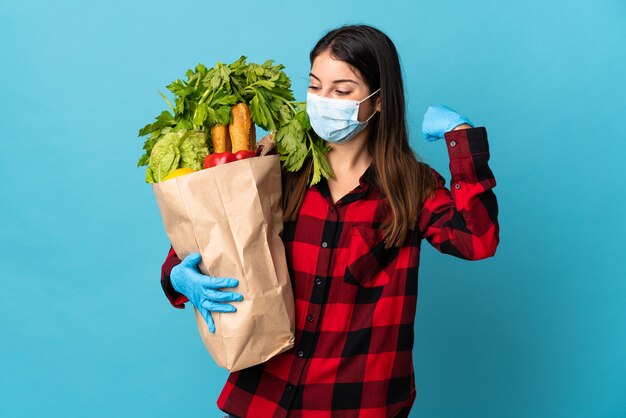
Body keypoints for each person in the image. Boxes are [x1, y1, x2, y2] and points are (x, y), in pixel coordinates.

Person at [160, 24, 499, 418]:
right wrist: (178, 275)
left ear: (379, 101)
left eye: (341, 91)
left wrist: (462, 139)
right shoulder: (275, 169)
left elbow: (477, 241)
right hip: (263, 397)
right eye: (315, 86)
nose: (323, 101)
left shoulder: (412, 188)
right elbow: (210, 235)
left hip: (357, 404)